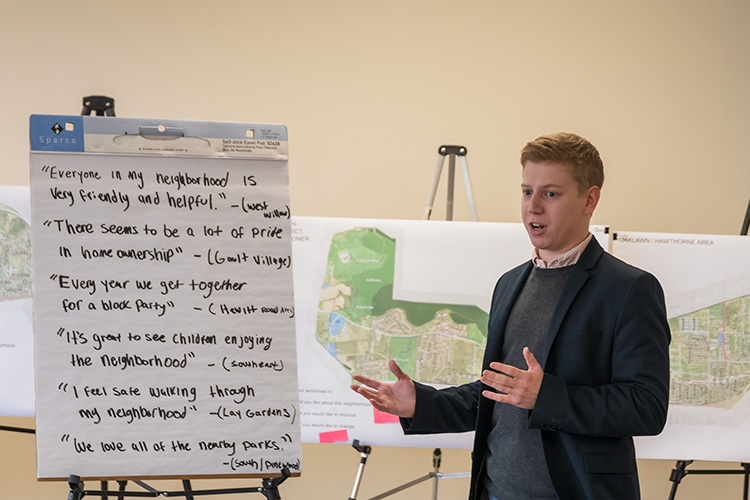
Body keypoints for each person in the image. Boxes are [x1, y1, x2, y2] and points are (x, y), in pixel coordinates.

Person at [350, 132, 671, 500]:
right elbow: (498, 391)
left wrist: (546, 395)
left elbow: (646, 407)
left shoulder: (630, 288)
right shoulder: (510, 283)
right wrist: (421, 404)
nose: (533, 207)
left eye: (550, 193)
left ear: (590, 199)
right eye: (526, 191)